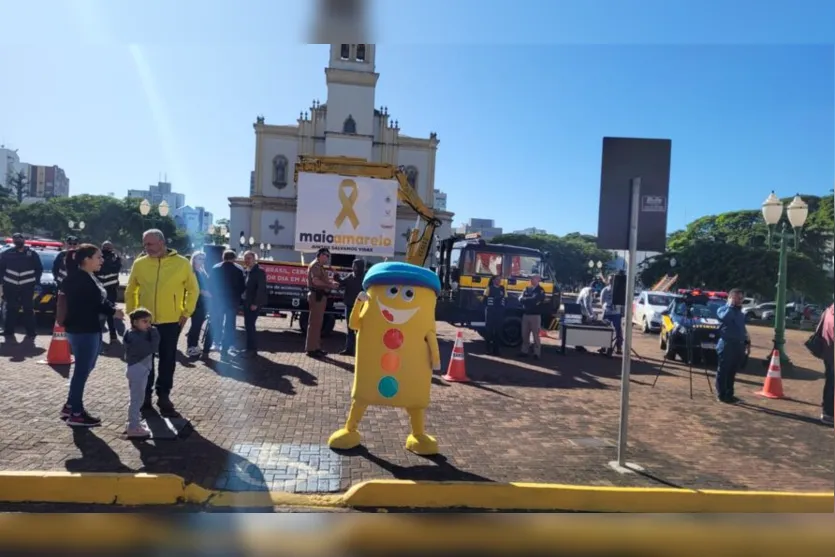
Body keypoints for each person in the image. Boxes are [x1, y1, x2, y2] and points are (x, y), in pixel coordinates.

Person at [125, 229, 198, 415]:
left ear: (161, 242)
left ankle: (164, 396)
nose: (146, 248)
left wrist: (186, 313)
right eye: (145, 244)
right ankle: (145, 397)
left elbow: (193, 289)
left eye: (149, 244)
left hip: (171, 321)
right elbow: (131, 289)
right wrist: (133, 314)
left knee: (167, 360)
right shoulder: (140, 263)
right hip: (144, 323)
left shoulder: (181, 263)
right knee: (144, 360)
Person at [59, 244, 124, 427]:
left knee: (85, 368)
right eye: (98, 257)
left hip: (86, 328)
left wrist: (111, 308)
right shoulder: (80, 279)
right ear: (86, 260)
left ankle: (70, 406)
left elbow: (98, 300)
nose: (102, 260)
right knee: (82, 371)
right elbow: (93, 303)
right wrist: (113, 312)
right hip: (84, 329)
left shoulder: (87, 276)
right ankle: (76, 414)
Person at [122, 307, 160, 439]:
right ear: (135, 322)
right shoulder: (136, 337)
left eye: (149, 321)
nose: (149, 325)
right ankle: (133, 427)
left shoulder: (132, 333)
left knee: (136, 398)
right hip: (139, 370)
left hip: (136, 369)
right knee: (137, 400)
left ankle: (134, 422)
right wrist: (155, 334)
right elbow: (153, 348)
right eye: (145, 321)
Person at [0, 232, 42, 341]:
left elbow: (39, 269)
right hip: (10, 286)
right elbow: (1, 269)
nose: (18, 241)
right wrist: (2, 283)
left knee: (28, 309)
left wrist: (36, 282)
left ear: (24, 240)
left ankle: (31, 332)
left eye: (19, 239)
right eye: (15, 239)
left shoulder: (32, 254)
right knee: (11, 309)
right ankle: (8, 331)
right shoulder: (7, 254)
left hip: (27, 286)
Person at [209, 249, 245, 359]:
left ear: (223, 257)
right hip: (232, 301)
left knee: (217, 322)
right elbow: (242, 287)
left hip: (218, 301)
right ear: (234, 258)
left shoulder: (215, 268)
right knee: (230, 324)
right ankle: (229, 345)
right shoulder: (239, 270)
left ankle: (216, 342)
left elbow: (210, 285)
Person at [305, 248, 340, 358]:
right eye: (326, 255)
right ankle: (311, 349)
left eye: (328, 256)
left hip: (320, 296)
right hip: (317, 296)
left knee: (318, 323)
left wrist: (331, 282)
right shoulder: (315, 266)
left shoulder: (320, 266)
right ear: (320, 255)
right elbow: (315, 281)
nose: (327, 258)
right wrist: (330, 285)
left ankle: (316, 347)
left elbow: (322, 280)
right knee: (314, 323)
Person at [715, 288, 748, 404]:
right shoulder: (722, 309)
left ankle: (730, 394)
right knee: (723, 370)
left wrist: (746, 341)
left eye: (741, 298)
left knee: (732, 371)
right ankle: (722, 395)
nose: (739, 300)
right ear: (730, 298)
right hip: (726, 344)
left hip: (738, 345)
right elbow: (725, 318)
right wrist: (730, 306)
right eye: (737, 298)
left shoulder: (741, 313)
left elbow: (742, 329)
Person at [185, 251, 213, 357]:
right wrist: (210, 295)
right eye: (199, 258)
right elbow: (196, 288)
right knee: (195, 325)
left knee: (197, 325)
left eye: (203, 259)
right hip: (196, 302)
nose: (202, 261)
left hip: (202, 302)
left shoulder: (202, 271)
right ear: (194, 259)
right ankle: (191, 347)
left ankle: (194, 345)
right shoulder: (192, 271)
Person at [336, 259, 365, 356]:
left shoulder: (364, 278)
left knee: (359, 329)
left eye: (355, 266)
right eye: (353, 265)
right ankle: (349, 349)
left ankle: (359, 350)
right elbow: (342, 283)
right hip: (349, 306)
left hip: (360, 307)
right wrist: (337, 278)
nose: (353, 267)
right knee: (350, 328)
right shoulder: (350, 276)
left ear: (360, 267)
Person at [241, 250, 268, 358]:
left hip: (253, 304)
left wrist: (255, 303)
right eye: (245, 258)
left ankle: (251, 350)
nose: (246, 260)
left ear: (254, 259)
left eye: (249, 258)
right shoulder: (247, 271)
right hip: (247, 302)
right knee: (248, 326)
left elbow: (261, 289)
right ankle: (250, 348)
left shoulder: (259, 271)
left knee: (250, 326)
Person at [95, 241, 123, 343]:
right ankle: (112, 335)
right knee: (109, 313)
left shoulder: (98, 257)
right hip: (109, 290)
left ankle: (100, 336)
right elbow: (117, 268)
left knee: (100, 313)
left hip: (101, 290)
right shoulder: (114, 258)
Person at [518, 274, 546, 360]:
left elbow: (536, 300)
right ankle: (524, 351)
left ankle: (536, 353)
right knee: (524, 334)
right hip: (526, 315)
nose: (531, 280)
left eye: (533, 278)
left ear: (538, 280)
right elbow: (520, 299)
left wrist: (526, 300)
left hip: (535, 316)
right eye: (531, 278)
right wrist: (528, 300)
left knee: (536, 335)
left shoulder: (540, 290)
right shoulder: (527, 288)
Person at [599, 274, 623, 355]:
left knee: (618, 330)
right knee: (605, 329)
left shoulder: (619, 290)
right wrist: (605, 308)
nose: (611, 281)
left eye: (613, 280)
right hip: (607, 312)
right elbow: (602, 301)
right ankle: (603, 346)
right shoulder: (605, 290)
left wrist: (622, 312)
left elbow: (622, 303)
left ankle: (619, 347)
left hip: (616, 313)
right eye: (610, 280)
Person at [483, 275, 506, 356]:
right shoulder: (489, 288)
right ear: (493, 280)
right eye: (497, 279)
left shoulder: (502, 289)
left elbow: (505, 299)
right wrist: (493, 301)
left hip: (499, 312)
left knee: (498, 331)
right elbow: (484, 300)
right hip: (490, 312)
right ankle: (488, 349)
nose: (499, 281)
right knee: (489, 331)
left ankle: (496, 350)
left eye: (500, 279)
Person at [819, 304, 833, 425]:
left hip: (827, 351)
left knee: (830, 381)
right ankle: (828, 413)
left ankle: (827, 409)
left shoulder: (828, 311)